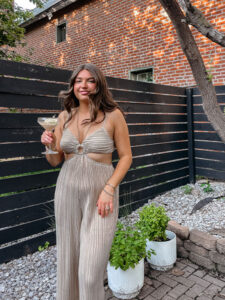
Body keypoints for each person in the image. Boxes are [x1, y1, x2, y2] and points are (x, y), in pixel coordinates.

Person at [41, 63, 132, 300]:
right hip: (67, 192)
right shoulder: (64, 117)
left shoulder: (113, 116)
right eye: (78, 80)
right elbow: (55, 161)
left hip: (101, 196)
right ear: (72, 86)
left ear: (98, 84)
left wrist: (109, 189)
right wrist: (49, 145)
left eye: (89, 80)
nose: (83, 85)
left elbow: (126, 157)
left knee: (90, 273)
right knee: (69, 263)